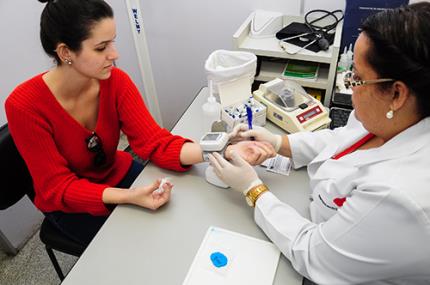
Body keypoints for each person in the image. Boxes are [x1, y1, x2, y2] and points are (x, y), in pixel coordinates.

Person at [5, 0, 275, 247]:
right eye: (101, 47)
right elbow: (58, 188)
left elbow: (153, 142)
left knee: (182, 224)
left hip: (117, 174)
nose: (114, 54)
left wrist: (222, 149)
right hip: (72, 204)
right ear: (66, 52)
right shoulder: (25, 106)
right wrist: (128, 197)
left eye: (113, 42)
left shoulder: (115, 81)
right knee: (139, 247)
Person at [209, 3, 430, 284]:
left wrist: (252, 188)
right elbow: (342, 139)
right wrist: (278, 142)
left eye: (358, 79)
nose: (350, 88)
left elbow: (312, 253)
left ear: (397, 94)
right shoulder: (396, 117)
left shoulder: (399, 198)